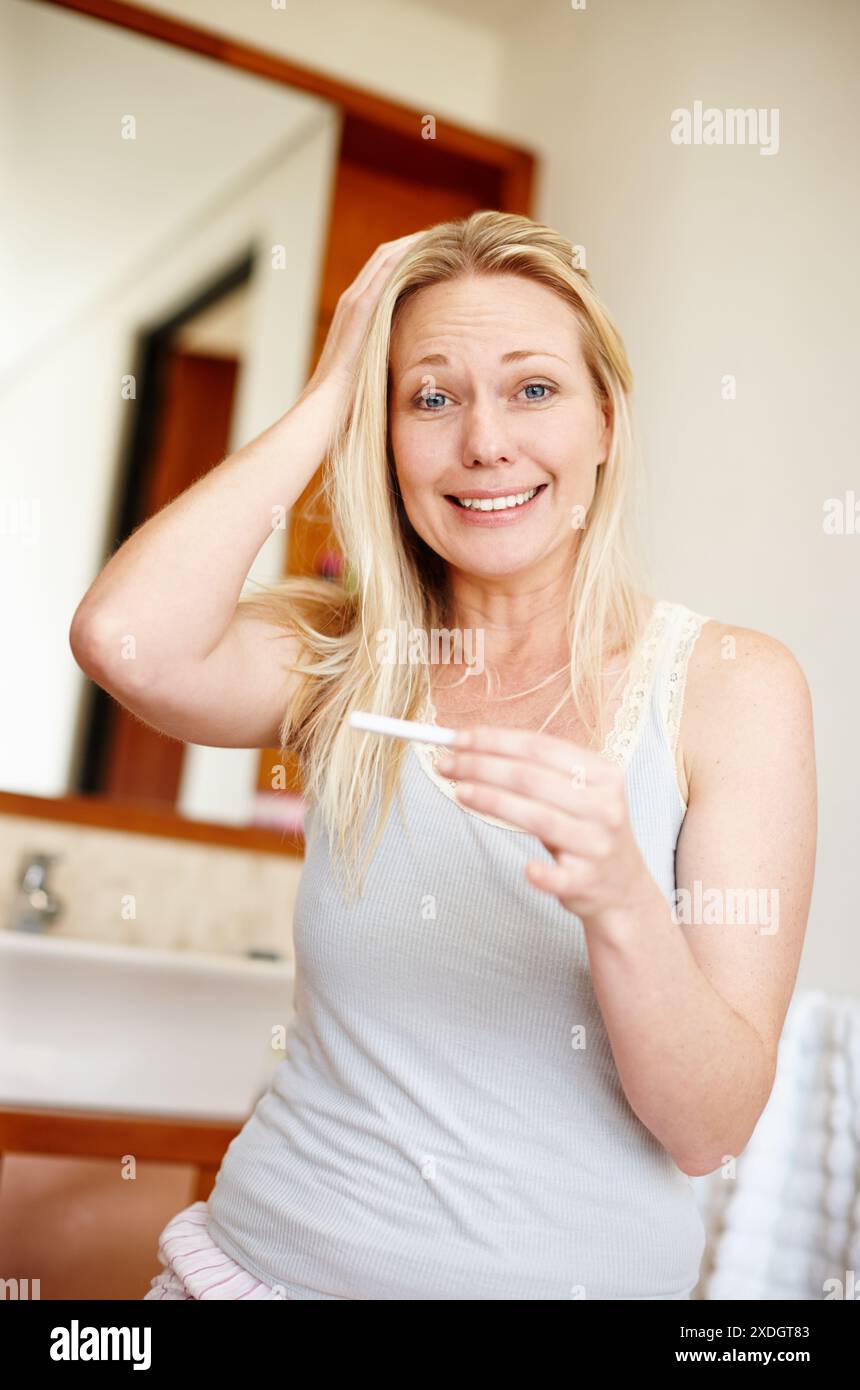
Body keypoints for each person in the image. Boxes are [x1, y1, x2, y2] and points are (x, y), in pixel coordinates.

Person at [70, 211, 817, 1300]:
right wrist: (331, 393)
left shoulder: (731, 687)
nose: (482, 442)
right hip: (248, 1270)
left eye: (531, 389)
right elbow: (119, 639)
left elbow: (707, 1130)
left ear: (605, 421)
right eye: (429, 397)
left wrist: (619, 900)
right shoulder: (345, 660)